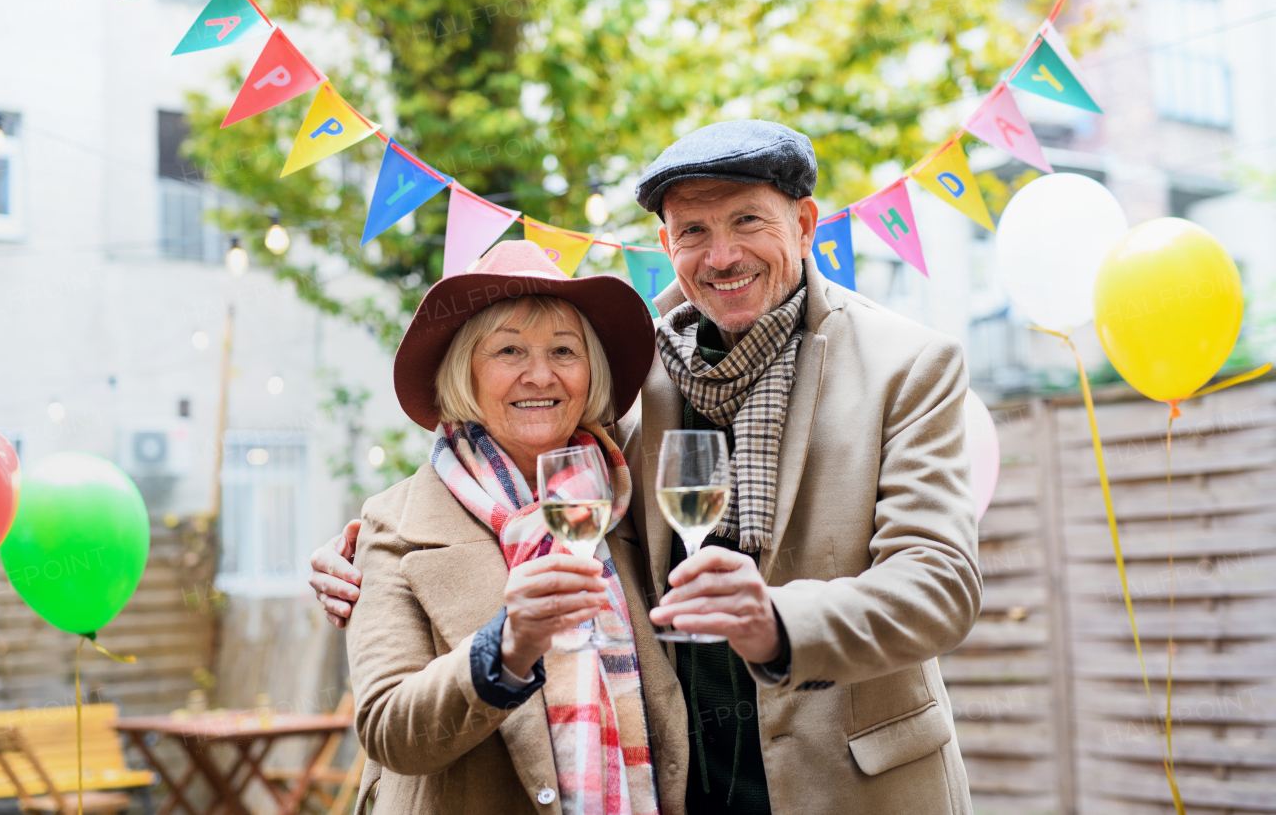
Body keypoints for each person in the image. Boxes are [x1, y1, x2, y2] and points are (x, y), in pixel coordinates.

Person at [314, 121, 981, 815]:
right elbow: (499, 474)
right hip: (680, 785)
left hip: (851, 788)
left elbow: (940, 584)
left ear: (805, 222)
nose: (721, 256)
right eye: (693, 230)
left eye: (747, 220)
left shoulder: (906, 364)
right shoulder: (638, 370)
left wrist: (777, 622)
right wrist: (354, 552)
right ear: (667, 244)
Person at [339, 240, 683, 815]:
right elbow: (387, 730)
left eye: (564, 351)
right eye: (509, 351)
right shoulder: (393, 524)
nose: (540, 374)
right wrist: (505, 648)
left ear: (590, 371)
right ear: (464, 373)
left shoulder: (633, 499)